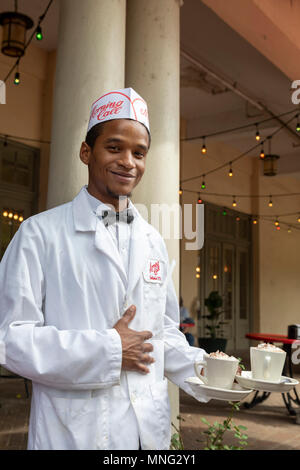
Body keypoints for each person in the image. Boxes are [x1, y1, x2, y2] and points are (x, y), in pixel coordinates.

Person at [0, 88, 207, 451]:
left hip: (147, 435)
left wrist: (207, 370)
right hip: (73, 434)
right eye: (114, 148)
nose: (128, 161)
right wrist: (109, 349)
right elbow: (10, 339)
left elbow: (159, 335)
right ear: (86, 152)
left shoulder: (153, 239)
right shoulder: (39, 233)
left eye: (139, 152)